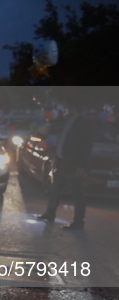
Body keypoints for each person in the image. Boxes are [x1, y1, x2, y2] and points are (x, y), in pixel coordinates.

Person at [34, 95, 94, 230]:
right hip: (62, 161)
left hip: (73, 164)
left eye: (67, 108)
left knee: (76, 193)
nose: (65, 110)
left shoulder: (82, 122)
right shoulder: (69, 121)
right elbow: (64, 141)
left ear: (73, 108)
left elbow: (86, 146)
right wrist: (57, 158)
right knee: (55, 189)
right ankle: (50, 213)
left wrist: (81, 166)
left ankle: (78, 221)